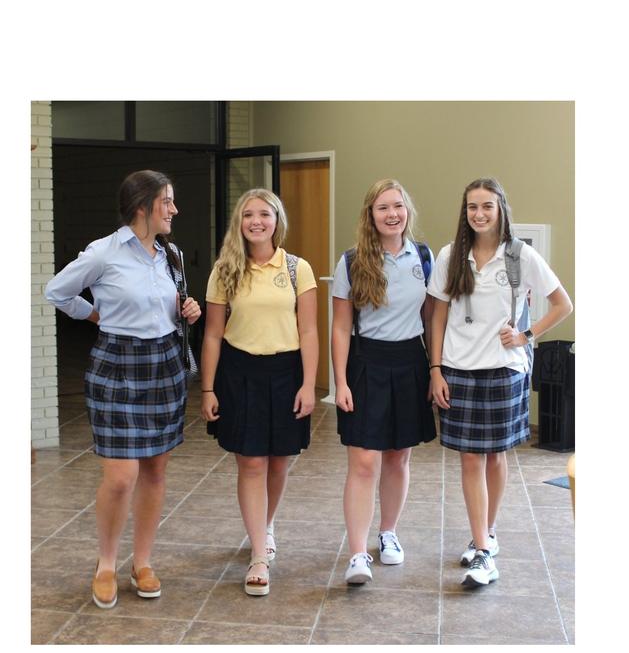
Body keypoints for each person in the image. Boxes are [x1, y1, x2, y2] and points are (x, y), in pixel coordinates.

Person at [45, 170, 202, 608]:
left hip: (164, 365)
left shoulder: (171, 254)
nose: (174, 210)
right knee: (120, 478)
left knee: (155, 471)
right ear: (142, 206)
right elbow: (57, 292)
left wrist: (186, 309)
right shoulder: (104, 252)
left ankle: (143, 562)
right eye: (167, 202)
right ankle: (107, 564)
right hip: (117, 365)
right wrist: (97, 315)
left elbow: (166, 306)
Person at [428, 177, 572, 587]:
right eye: (472, 207)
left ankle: (485, 538)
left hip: (505, 370)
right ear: (465, 212)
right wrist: (435, 369)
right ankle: (481, 546)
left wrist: (526, 335)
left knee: (494, 456)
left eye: (487, 206)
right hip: (458, 369)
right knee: (470, 458)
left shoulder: (520, 255)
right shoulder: (450, 256)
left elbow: (563, 304)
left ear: (500, 209)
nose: (479, 214)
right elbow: (438, 315)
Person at [200, 188, 318, 596]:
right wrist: (208, 388)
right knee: (251, 463)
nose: (256, 221)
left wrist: (308, 384)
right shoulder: (224, 270)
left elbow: (309, 331)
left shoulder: (297, 268)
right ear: (239, 222)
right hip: (239, 373)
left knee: (279, 462)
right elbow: (212, 334)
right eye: (248, 214)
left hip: (286, 372)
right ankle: (257, 555)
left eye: (264, 214)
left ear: (276, 220)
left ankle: (265, 526)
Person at [331, 178, 436, 585]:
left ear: (407, 210)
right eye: (383, 208)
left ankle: (388, 533)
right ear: (370, 215)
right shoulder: (352, 261)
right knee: (362, 462)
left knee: (397, 457)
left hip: (410, 362)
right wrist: (340, 382)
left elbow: (431, 320)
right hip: (366, 364)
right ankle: (357, 553)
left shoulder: (423, 257)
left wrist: (434, 370)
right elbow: (341, 328)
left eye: (397, 206)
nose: (392, 214)